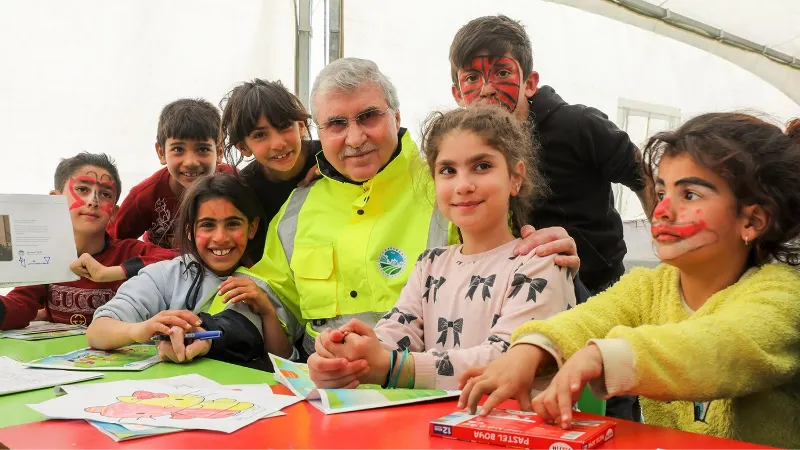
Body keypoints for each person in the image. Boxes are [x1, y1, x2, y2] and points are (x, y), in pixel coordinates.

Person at [459, 114, 800, 448]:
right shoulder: (650, 288)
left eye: (691, 195)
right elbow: (590, 318)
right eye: (662, 191)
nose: (662, 209)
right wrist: (531, 349)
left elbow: (720, 348)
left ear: (752, 221)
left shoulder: (783, 297)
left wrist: (602, 356)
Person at [249, 57, 580, 361]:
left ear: (395, 116)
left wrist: (558, 262)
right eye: (336, 124)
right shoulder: (297, 207)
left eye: (368, 117)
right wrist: (212, 329)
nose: (354, 138)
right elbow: (268, 298)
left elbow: (522, 276)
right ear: (318, 133)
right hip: (325, 390)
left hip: (428, 394)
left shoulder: (449, 188)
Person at [308, 106, 576, 390]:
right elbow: (395, 333)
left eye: (482, 166)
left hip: (516, 431)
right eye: (448, 170)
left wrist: (392, 367)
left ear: (515, 177)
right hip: (441, 428)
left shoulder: (542, 261)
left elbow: (508, 358)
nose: (463, 185)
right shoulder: (430, 264)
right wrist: (348, 355)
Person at [450, 15, 652, 295]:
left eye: (503, 73)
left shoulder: (578, 125)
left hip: (597, 291)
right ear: (457, 94)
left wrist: (671, 250)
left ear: (529, 83)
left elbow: (642, 173)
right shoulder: (464, 151)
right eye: (472, 78)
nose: (487, 89)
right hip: (514, 293)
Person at [87, 173, 295, 364]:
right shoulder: (163, 275)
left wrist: (267, 311)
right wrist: (140, 329)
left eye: (233, 224)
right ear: (189, 231)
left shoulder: (264, 282)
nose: (220, 237)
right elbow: (97, 331)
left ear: (252, 228)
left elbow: (284, 362)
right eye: (207, 225)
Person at [0, 153, 176, 330]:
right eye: (83, 189)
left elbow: (182, 261)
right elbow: (21, 304)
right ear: (55, 200)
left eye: (105, 194)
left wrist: (115, 272)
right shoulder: (43, 256)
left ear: (114, 212)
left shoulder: (129, 251)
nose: (93, 201)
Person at [107, 98, 231, 249]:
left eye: (203, 149)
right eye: (178, 149)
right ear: (161, 153)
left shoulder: (234, 184)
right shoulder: (145, 196)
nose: (190, 162)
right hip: (161, 267)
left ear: (219, 152)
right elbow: (111, 243)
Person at [221, 79, 321, 232]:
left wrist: (336, 171)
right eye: (260, 135)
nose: (278, 144)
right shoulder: (246, 191)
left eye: (284, 126)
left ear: (301, 126)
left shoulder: (330, 157)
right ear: (243, 147)